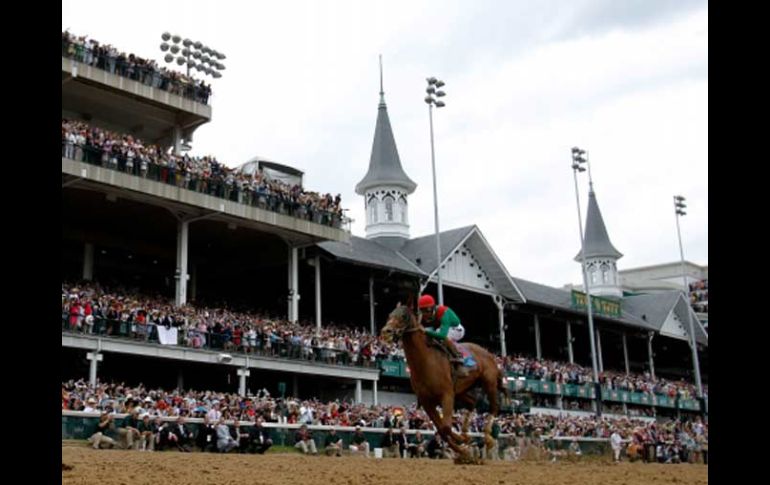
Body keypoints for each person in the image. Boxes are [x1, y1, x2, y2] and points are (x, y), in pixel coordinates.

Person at [418, 294, 468, 375]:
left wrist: (425, 331)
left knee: (442, 337)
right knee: (430, 334)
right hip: (443, 328)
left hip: (456, 329)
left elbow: (442, 335)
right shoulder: (429, 313)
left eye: (425, 311)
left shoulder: (443, 313)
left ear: (430, 309)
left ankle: (459, 358)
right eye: (421, 311)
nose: (423, 314)